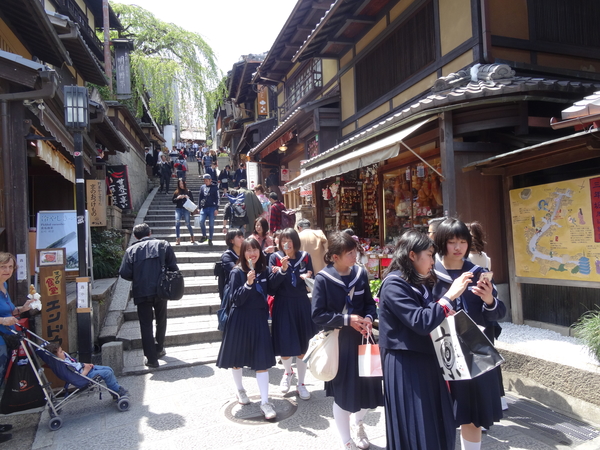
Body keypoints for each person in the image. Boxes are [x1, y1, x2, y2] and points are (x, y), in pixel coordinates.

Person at [378, 230, 472, 450]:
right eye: (429, 255)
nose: (432, 261)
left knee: (435, 419)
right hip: (406, 363)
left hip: (426, 359)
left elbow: (431, 314)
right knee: (417, 421)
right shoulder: (394, 284)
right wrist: (450, 296)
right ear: (412, 255)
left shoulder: (418, 281)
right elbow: (420, 321)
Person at [432, 218, 506, 450]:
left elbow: (498, 313)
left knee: (472, 411)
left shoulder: (478, 272)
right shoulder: (430, 273)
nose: (457, 247)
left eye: (462, 242)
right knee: (439, 410)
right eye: (451, 241)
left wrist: (489, 301)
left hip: (473, 350)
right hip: (438, 350)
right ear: (441, 242)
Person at [311, 232, 383, 450]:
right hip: (340, 343)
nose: (354, 256)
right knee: (343, 393)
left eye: (355, 252)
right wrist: (346, 319)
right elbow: (317, 315)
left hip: (363, 340)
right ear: (335, 257)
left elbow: (369, 304)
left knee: (368, 386)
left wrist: (370, 317)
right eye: (349, 253)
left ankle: (359, 423)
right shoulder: (323, 279)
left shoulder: (360, 273)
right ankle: (346, 440)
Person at [216, 238, 277, 420]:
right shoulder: (237, 272)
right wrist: (248, 284)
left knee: (261, 361)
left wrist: (279, 272)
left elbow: (272, 289)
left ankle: (265, 402)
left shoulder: (263, 270)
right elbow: (236, 299)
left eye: (255, 249)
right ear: (242, 253)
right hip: (240, 319)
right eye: (248, 250)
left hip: (258, 319)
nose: (252, 253)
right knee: (237, 358)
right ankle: (240, 390)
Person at [119, 224, 178, 368]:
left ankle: (151, 359)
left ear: (135, 236)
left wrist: (138, 276)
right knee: (161, 319)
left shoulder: (130, 250)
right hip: (160, 289)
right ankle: (159, 348)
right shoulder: (163, 245)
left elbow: (124, 273)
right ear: (150, 233)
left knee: (145, 324)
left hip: (141, 291)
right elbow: (173, 267)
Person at [268, 228, 315, 400]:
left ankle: (301, 383)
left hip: (301, 303)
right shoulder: (275, 258)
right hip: (283, 303)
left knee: (303, 346)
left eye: (289, 240)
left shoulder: (305, 257)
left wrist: (309, 275)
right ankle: (288, 372)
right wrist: (283, 269)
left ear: (295, 241)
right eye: (283, 241)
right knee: (285, 344)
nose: (286, 244)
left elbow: (312, 277)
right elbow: (271, 287)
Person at [466, 221, 507, 412]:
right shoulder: (485, 258)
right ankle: (499, 398)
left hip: (472, 309)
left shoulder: (465, 259)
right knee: (489, 355)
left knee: (474, 357)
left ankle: (479, 401)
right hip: (487, 305)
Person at [0, 252, 36, 443]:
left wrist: (23, 308)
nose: (7, 271)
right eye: (3, 267)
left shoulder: (4, 286)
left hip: (6, 341)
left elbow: (10, 310)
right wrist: (2, 320)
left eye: (10, 267)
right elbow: (3, 316)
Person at [46, 343, 128, 397]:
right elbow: (77, 377)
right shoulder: (63, 365)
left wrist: (86, 365)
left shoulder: (66, 360)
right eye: (60, 352)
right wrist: (86, 369)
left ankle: (114, 391)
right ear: (56, 357)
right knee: (107, 373)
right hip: (85, 375)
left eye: (62, 350)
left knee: (109, 368)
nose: (63, 352)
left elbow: (77, 364)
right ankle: (117, 390)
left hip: (86, 369)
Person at [198, 173, 219, 245]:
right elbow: (200, 197)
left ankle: (210, 238)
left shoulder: (215, 187)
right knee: (201, 221)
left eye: (207, 180)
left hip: (212, 208)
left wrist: (216, 208)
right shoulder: (202, 187)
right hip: (204, 207)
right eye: (204, 180)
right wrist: (199, 207)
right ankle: (204, 236)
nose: (205, 182)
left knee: (211, 224)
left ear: (210, 180)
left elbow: (218, 198)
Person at [172, 179, 195, 245]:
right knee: (177, 223)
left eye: (182, 183)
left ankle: (192, 236)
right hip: (178, 209)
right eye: (180, 184)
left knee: (188, 224)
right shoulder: (176, 192)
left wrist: (188, 198)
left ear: (184, 183)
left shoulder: (188, 191)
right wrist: (178, 198)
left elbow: (192, 201)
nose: (181, 185)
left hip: (186, 209)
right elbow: (173, 201)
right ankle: (178, 239)